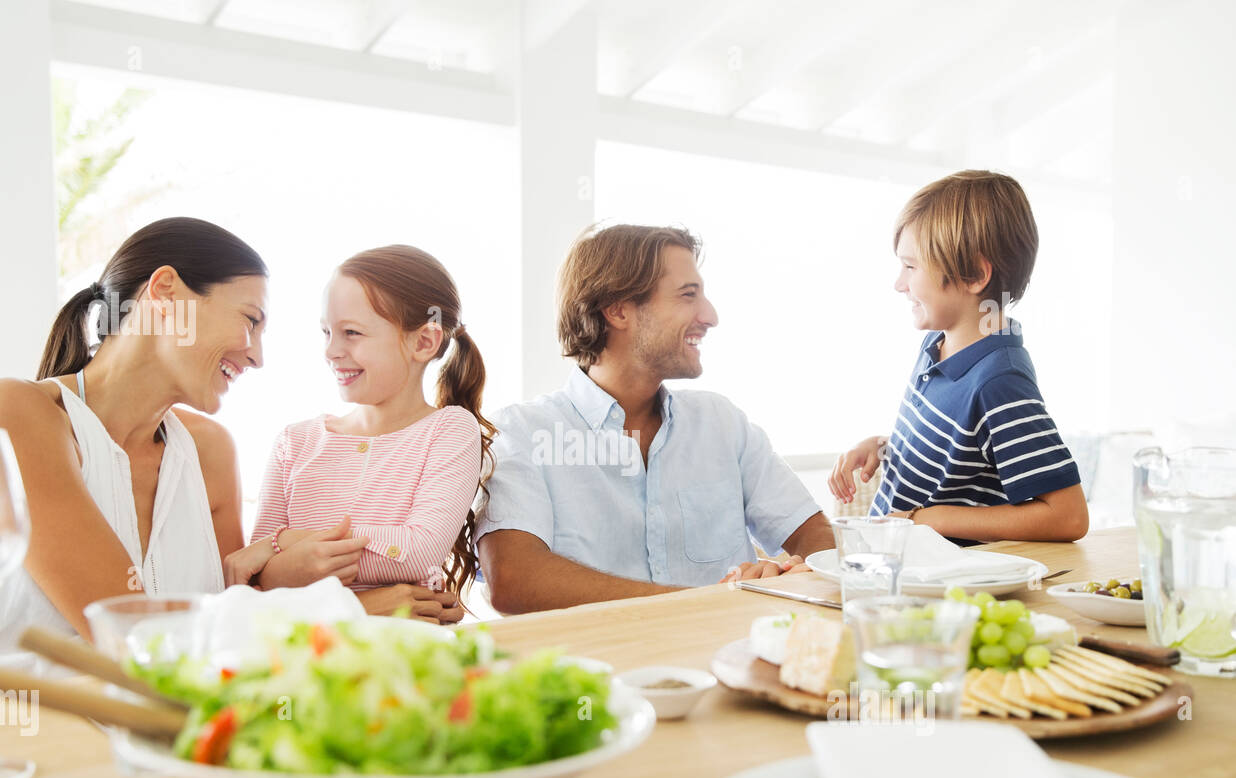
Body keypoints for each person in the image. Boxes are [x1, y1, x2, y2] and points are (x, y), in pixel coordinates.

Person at [0, 217, 265, 675]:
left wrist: (282, 583)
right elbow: (135, 638)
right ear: (166, 292)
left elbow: (231, 612)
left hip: (162, 746)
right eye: (251, 320)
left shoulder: (210, 451)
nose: (257, 355)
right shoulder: (12, 413)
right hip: (18, 743)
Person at [475, 224, 833, 614]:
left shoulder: (722, 423)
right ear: (618, 309)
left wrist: (795, 572)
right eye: (687, 296)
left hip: (727, 663)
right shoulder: (521, 432)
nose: (709, 316)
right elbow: (513, 580)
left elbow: (816, 536)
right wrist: (706, 604)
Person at [224, 246, 492, 624]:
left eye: (352, 333)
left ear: (424, 342)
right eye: (327, 332)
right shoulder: (294, 443)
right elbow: (253, 582)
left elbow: (418, 551)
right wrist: (276, 565)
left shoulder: (449, 430)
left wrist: (284, 546)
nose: (332, 350)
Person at [828, 170, 1089, 543]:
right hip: (892, 565)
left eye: (911, 266)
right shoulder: (937, 343)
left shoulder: (1000, 380)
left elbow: (1068, 517)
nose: (899, 284)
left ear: (973, 275)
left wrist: (925, 520)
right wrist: (884, 447)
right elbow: (962, 452)